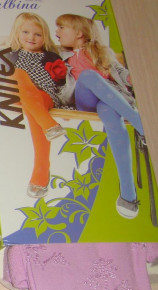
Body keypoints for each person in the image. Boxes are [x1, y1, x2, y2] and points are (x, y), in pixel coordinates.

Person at [56, 14, 144, 218]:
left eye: (61, 27)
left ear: (79, 33)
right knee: (88, 76)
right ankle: (141, 124)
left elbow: (123, 75)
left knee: (111, 116)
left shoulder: (103, 53)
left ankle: (128, 194)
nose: (57, 31)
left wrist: (134, 76)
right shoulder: (60, 55)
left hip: (109, 101)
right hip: (84, 101)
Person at [6, 12, 73, 198]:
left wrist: (67, 104)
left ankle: (41, 171)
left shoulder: (50, 56)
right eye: (26, 32)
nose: (31, 37)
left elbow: (62, 83)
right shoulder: (11, 55)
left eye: (38, 34)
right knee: (18, 74)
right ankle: (49, 126)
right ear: (17, 33)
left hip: (44, 96)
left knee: (34, 109)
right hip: (18, 95)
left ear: (45, 37)